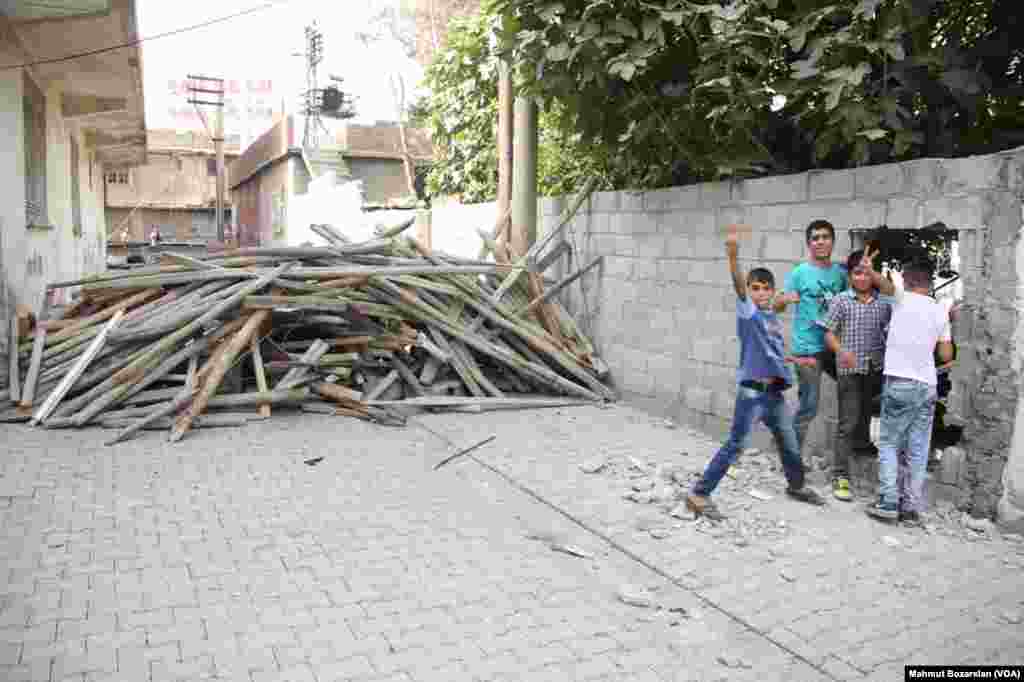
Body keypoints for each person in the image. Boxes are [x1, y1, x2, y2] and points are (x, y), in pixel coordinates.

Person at [686, 223, 826, 521]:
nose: (761, 293)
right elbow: (737, 284)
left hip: (774, 393)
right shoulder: (748, 313)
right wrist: (733, 255)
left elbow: (773, 352)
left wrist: (797, 361)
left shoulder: (770, 317)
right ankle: (699, 494)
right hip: (752, 394)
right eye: (755, 288)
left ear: (772, 290)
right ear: (749, 291)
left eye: (766, 288)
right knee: (736, 444)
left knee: (788, 443)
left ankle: (797, 485)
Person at [866, 259, 953, 525]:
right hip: (927, 386)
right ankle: (911, 508)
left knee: (890, 442)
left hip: (900, 382)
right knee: (918, 448)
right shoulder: (940, 311)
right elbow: (946, 353)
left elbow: (883, 284)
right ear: (929, 283)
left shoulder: (901, 299)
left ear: (910, 280)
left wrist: (870, 270)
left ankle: (888, 501)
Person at [823, 247, 896, 501]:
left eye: (866, 274)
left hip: (874, 369)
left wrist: (871, 268)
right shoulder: (841, 300)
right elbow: (829, 333)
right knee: (847, 423)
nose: (862, 278)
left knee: (866, 415)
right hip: (849, 370)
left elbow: (891, 290)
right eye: (857, 273)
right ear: (850, 276)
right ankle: (840, 475)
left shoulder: (882, 302)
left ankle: (862, 453)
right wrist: (841, 350)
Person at [775, 220, 849, 469]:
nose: (820, 241)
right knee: (809, 405)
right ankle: (792, 458)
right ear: (809, 244)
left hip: (832, 345)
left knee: (854, 391)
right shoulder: (799, 273)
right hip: (807, 347)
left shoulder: (840, 274)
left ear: (832, 241)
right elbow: (777, 305)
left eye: (825, 237)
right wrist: (784, 300)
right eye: (815, 238)